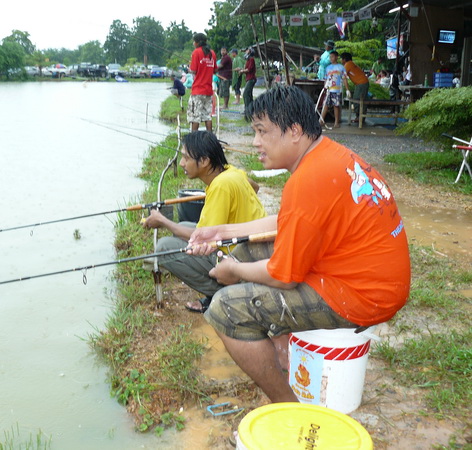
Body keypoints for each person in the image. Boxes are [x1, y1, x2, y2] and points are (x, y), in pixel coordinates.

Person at [187, 85, 411, 404]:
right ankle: (281, 347)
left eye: (262, 132)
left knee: (226, 308)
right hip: (366, 276)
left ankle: (288, 406)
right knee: (248, 251)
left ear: (294, 131)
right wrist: (222, 231)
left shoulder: (308, 179)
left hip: (364, 295)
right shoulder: (328, 155)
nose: (255, 142)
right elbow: (289, 219)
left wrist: (234, 272)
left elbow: (283, 277)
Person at [142, 131, 266, 313]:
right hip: (254, 248)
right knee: (184, 226)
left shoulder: (220, 185)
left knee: (164, 248)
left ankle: (226, 294)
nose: (182, 163)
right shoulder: (231, 172)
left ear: (205, 161)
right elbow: (255, 186)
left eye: (186, 158)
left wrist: (162, 221)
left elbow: (203, 238)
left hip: (242, 257)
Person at [188, 33, 217, 132]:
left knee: (195, 116)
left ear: (197, 42)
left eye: (194, 41)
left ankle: (193, 139)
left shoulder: (196, 52)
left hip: (197, 90)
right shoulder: (212, 53)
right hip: (208, 90)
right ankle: (210, 137)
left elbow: (193, 70)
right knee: (207, 116)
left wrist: (190, 67)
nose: (193, 43)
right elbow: (214, 70)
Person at [319, 51, 350, 128]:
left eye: (332, 57)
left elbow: (345, 78)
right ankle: (321, 120)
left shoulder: (341, 67)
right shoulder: (328, 68)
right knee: (325, 105)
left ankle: (336, 122)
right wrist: (325, 87)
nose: (331, 59)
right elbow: (326, 79)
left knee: (336, 106)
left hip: (337, 90)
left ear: (336, 57)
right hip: (329, 89)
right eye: (330, 57)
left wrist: (347, 89)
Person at [341, 52, 369, 124]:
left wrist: (347, 89)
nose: (341, 61)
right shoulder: (350, 64)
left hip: (361, 83)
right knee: (360, 100)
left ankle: (360, 117)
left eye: (342, 59)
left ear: (344, 59)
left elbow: (344, 78)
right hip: (361, 83)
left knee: (357, 100)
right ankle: (359, 117)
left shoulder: (348, 64)